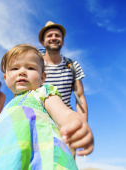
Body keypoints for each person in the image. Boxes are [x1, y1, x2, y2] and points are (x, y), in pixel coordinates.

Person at [0, 44, 93, 170]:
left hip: (42, 155)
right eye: (15, 68)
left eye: (30, 68)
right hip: (11, 158)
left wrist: (76, 123)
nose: (22, 72)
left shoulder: (42, 93)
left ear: (42, 77)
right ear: (5, 78)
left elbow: (64, 113)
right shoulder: (8, 106)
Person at [39, 21, 88, 158]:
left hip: (65, 125)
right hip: (38, 122)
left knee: (66, 165)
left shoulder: (72, 65)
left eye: (57, 35)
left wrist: (82, 127)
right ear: (42, 43)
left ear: (63, 42)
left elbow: (80, 97)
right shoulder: (35, 64)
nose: (54, 37)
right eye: (49, 35)